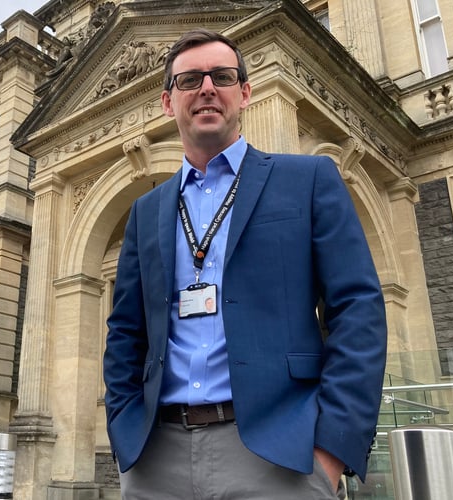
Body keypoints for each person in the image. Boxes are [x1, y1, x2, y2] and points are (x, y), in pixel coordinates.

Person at [103, 28, 387, 499]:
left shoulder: (308, 179)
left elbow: (358, 309)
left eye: (223, 75)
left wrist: (331, 452)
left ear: (246, 92)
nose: (208, 88)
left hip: (280, 457)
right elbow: (126, 332)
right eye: (190, 80)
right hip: (156, 460)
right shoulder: (146, 210)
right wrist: (123, 429)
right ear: (168, 102)